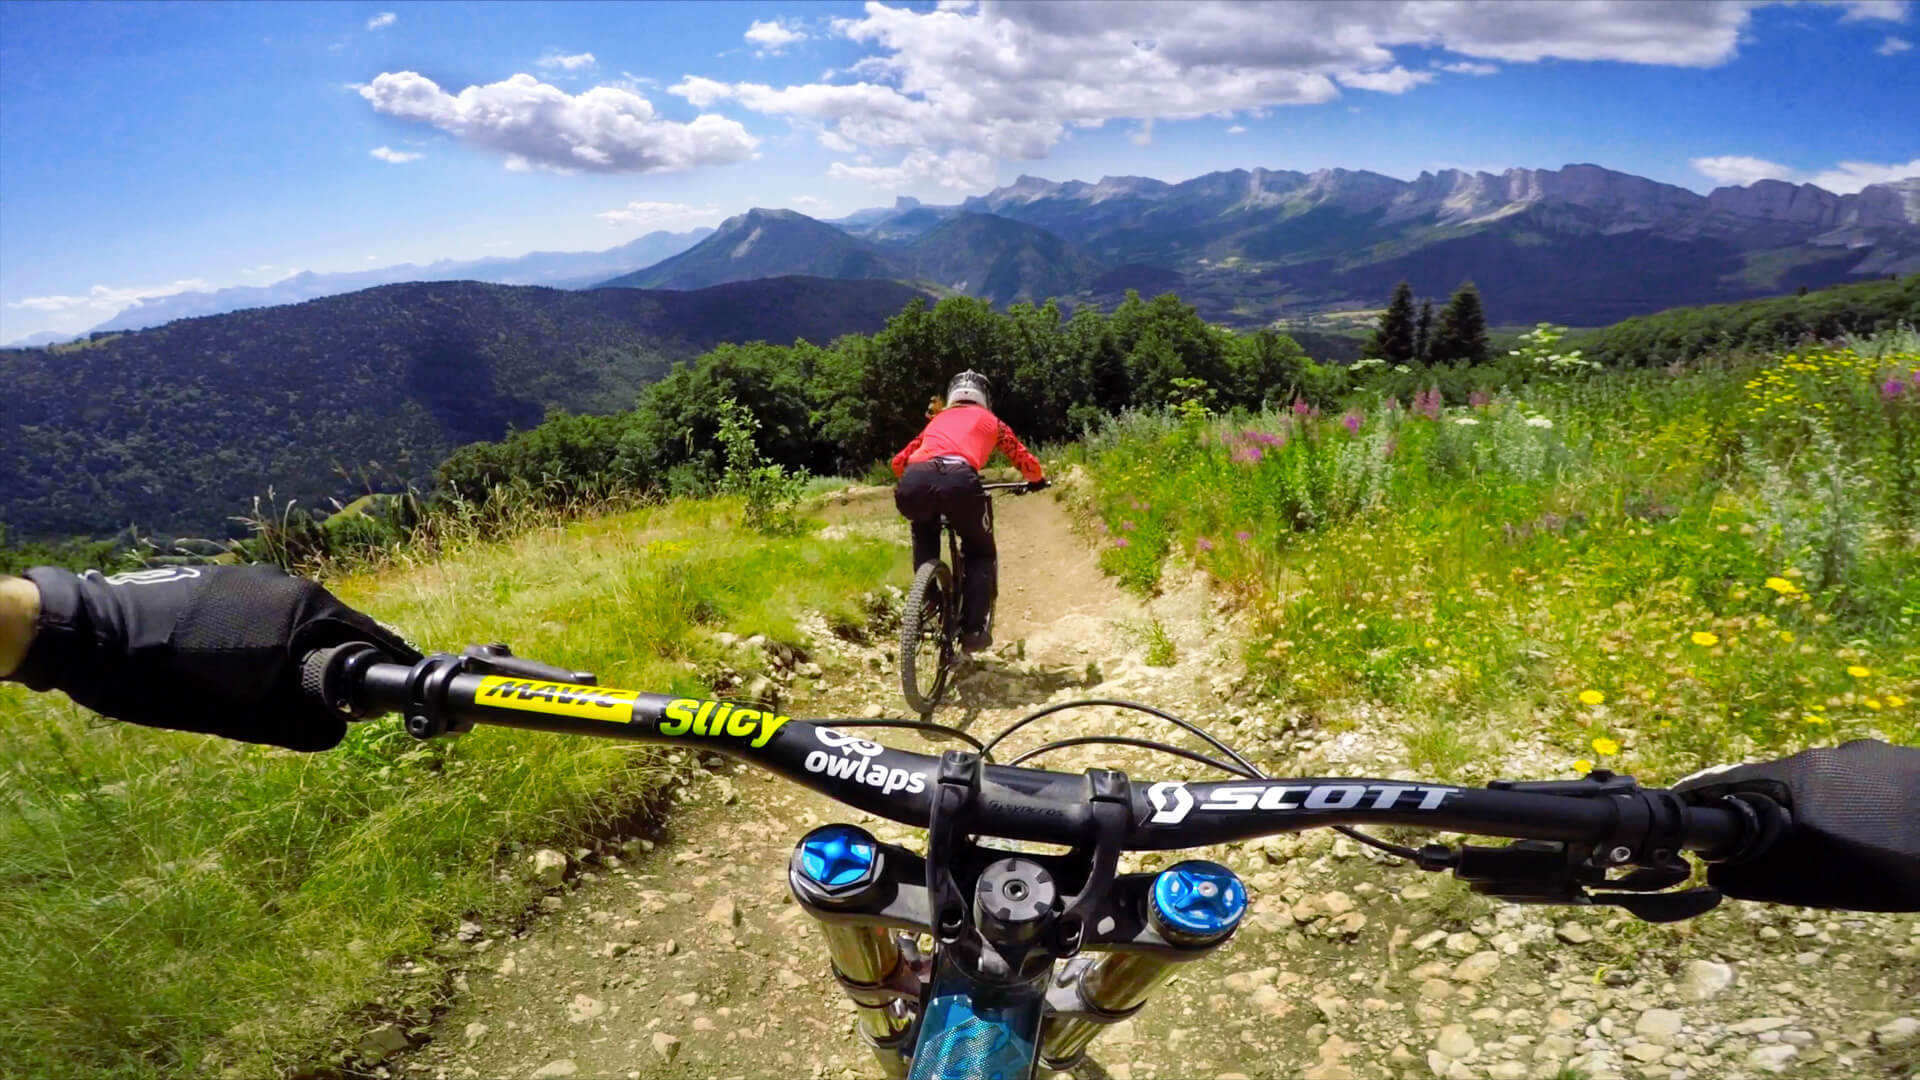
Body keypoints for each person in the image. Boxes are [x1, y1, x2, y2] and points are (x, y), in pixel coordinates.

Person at [1, 565, 1917, 911]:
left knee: (943, 543)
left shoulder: (932, 417)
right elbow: (989, 459)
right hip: (967, 498)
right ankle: (967, 607)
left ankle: (951, 611)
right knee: (970, 547)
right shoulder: (977, 429)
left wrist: (83, 623)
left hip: (154, 636)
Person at [890, 370, 1047, 652]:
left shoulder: (938, 420)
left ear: (951, 396)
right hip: (960, 482)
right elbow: (1023, 459)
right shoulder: (992, 422)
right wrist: (1037, 480)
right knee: (980, 551)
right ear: (985, 398)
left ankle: (927, 599)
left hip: (915, 481)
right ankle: (974, 629)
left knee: (924, 529)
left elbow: (899, 462)